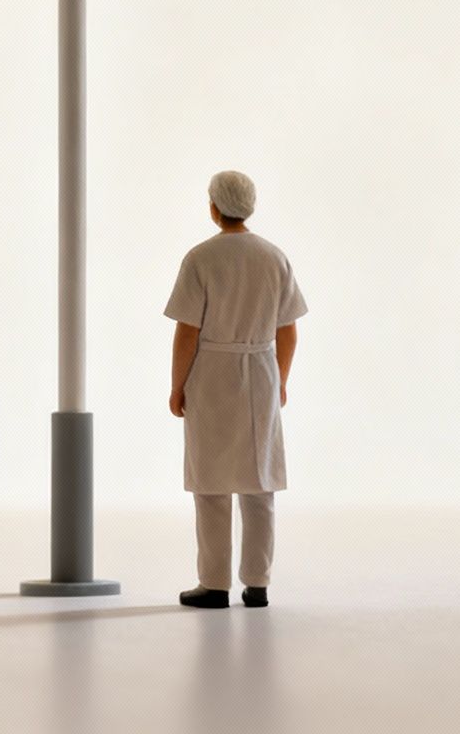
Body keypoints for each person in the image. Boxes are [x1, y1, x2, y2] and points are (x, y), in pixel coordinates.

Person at [165, 170, 307, 609]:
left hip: (212, 374)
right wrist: (279, 378)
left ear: (214, 207)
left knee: (211, 483)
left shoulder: (201, 259)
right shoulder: (274, 257)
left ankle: (214, 583)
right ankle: (258, 582)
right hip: (260, 371)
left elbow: (187, 332)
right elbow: (289, 332)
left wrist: (177, 386)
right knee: (258, 482)